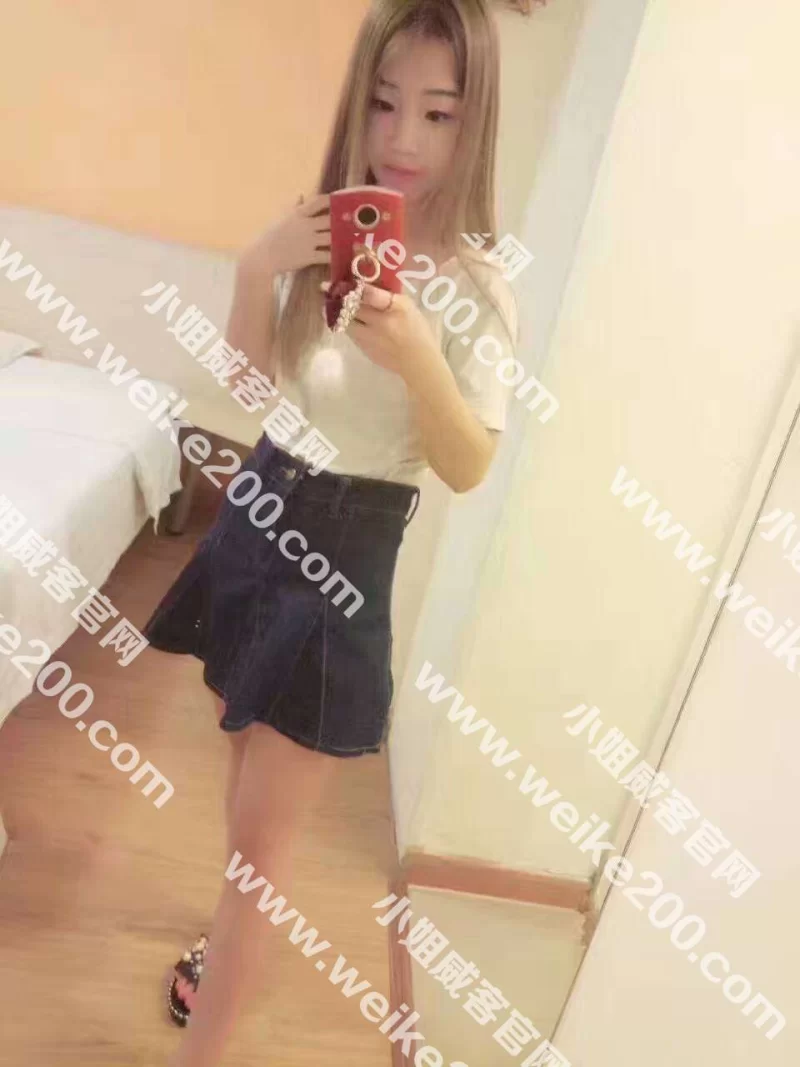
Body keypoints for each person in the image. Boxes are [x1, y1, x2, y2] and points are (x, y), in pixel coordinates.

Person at [142, 1, 519, 1064]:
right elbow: (254, 388)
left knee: (257, 864)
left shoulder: (479, 290)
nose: (402, 138)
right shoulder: (325, 234)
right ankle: (226, 943)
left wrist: (421, 358)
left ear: (476, 123)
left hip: (345, 556)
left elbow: (467, 463)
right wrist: (256, 268)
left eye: (438, 113)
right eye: (384, 103)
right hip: (259, 512)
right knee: (242, 808)